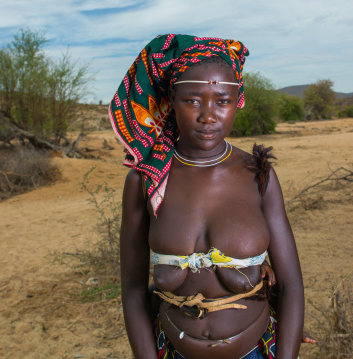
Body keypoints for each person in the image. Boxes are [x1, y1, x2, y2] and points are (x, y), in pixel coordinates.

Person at [110, 34, 304, 359]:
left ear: (237, 100)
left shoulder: (258, 175)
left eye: (222, 101)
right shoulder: (146, 181)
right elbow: (132, 292)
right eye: (193, 100)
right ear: (172, 98)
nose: (208, 115)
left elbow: (290, 286)